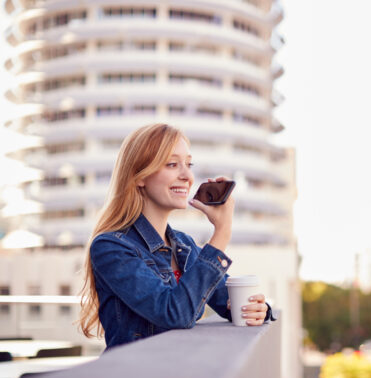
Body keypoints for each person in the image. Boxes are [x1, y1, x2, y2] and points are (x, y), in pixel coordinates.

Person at [78, 123, 274, 349]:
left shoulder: (184, 246)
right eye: (172, 164)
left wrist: (259, 309)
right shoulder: (111, 247)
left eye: (188, 164)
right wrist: (222, 233)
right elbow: (174, 312)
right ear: (139, 177)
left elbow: (227, 300)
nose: (187, 176)